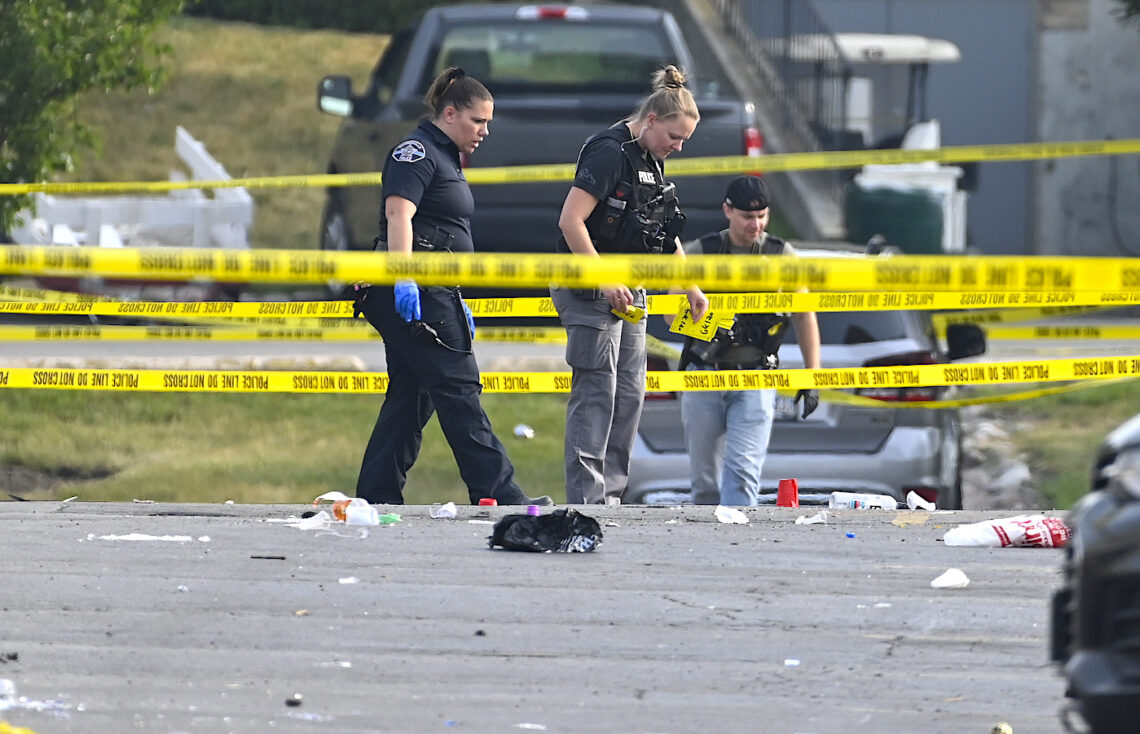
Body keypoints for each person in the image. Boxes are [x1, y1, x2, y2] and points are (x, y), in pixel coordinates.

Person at [352, 67, 552, 507]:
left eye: (488, 123)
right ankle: (498, 492)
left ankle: (377, 495)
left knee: (412, 395)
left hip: (435, 286)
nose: (485, 131)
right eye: (478, 121)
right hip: (417, 286)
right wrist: (404, 275)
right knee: (459, 388)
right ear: (449, 113)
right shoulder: (416, 152)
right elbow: (398, 215)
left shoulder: (444, 155)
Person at [552, 65, 709, 505]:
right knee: (596, 392)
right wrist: (603, 281)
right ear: (652, 121)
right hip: (589, 287)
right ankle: (586, 501)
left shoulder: (652, 161)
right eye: (674, 138)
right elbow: (571, 221)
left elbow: (663, 232)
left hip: (632, 290)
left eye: (684, 142)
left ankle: (613, 497)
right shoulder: (610, 151)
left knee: (629, 394)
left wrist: (689, 287)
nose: (677, 148)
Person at [678, 175, 821, 506]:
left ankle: (737, 548)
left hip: (756, 375)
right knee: (705, 482)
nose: (755, 225)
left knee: (742, 476)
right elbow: (671, 313)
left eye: (762, 216)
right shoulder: (703, 251)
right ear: (727, 211)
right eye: (747, 217)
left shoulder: (781, 255)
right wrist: (713, 324)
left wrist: (813, 374)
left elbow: (803, 314)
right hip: (705, 374)